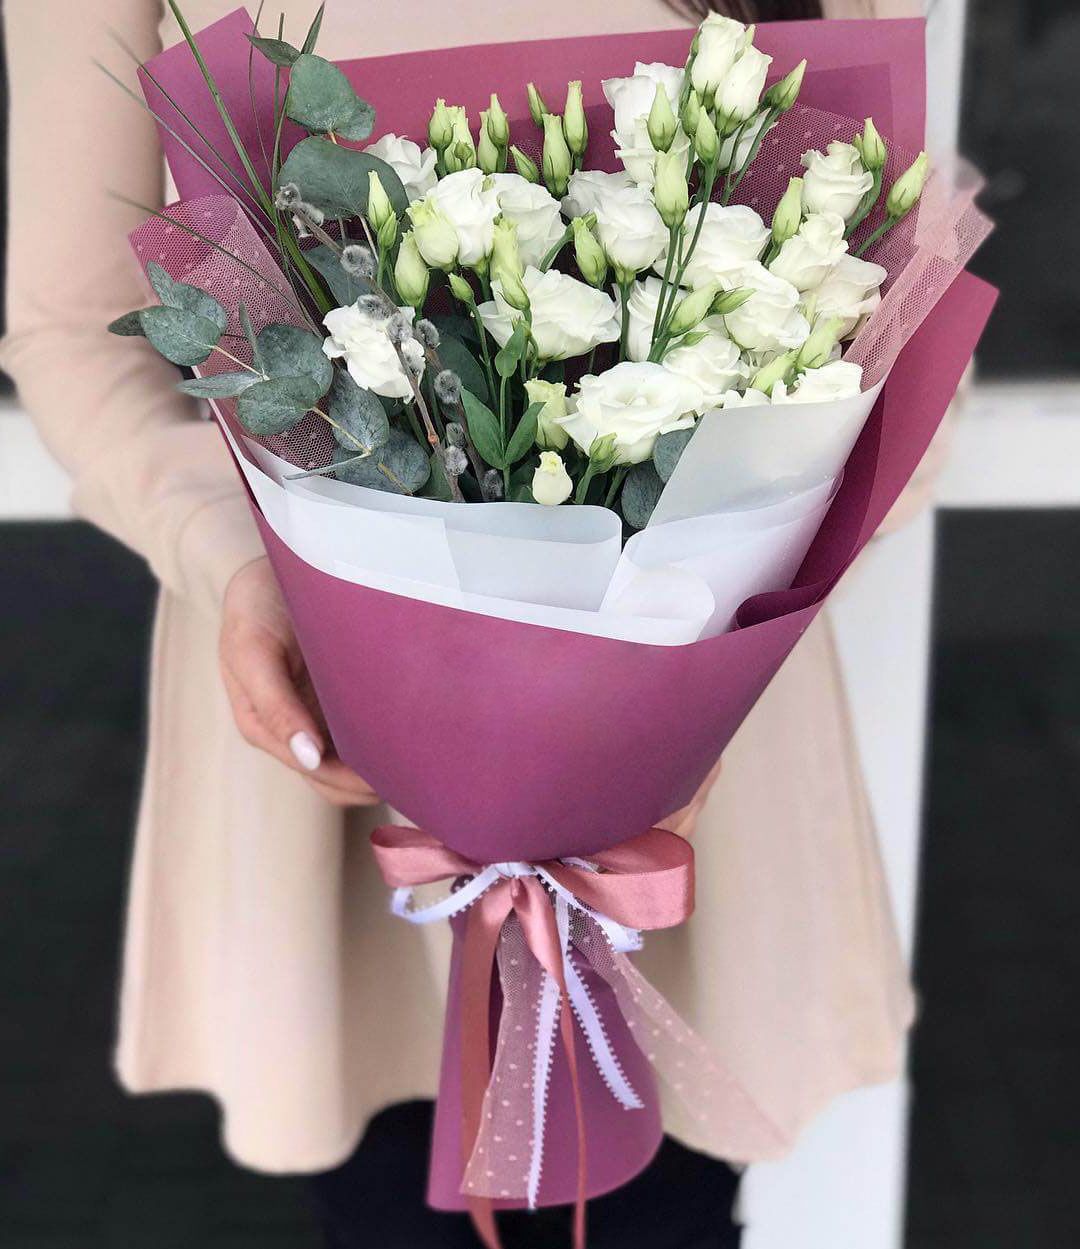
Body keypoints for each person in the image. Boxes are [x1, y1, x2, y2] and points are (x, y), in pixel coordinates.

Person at [1, 0, 925, 1244]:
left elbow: (894, 317)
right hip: (326, 678)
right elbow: (72, 331)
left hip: (699, 709)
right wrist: (244, 562)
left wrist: (703, 611)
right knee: (388, 1187)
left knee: (667, 1205)